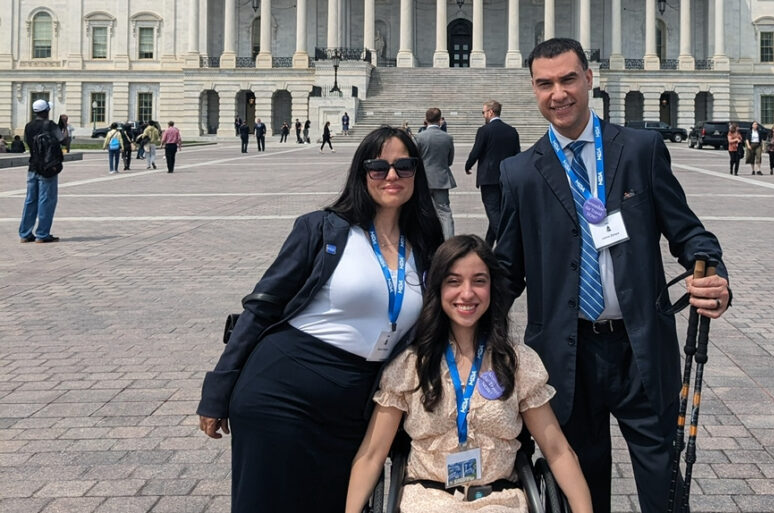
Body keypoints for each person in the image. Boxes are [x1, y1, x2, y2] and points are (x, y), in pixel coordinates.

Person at [494, 38, 731, 513]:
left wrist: (712, 273)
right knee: (581, 488)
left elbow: (688, 233)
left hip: (640, 345)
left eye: (567, 79)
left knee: (663, 482)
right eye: (545, 84)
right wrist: (462, 312)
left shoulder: (640, 149)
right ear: (533, 90)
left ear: (588, 78)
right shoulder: (520, 172)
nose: (557, 93)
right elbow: (507, 269)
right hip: (566, 353)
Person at [197, 126, 444, 513]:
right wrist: (217, 389)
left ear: (418, 172)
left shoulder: (427, 244)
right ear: (361, 175)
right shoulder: (322, 227)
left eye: (404, 166)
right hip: (284, 390)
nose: (392, 176)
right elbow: (262, 307)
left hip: (354, 405)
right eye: (378, 167)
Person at [345, 235, 593, 512]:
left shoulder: (517, 363)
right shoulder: (411, 365)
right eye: (453, 281)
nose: (467, 293)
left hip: (500, 502)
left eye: (479, 281)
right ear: (437, 289)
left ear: (492, 288)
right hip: (427, 501)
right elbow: (372, 456)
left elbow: (558, 451)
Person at [465, 100, 520, 246]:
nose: (483, 115)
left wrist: (468, 165)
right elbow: (517, 154)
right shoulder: (511, 130)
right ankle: (488, 245)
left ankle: (506, 243)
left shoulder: (484, 130)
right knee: (499, 211)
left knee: (493, 210)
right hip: (506, 177)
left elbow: (476, 151)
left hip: (488, 178)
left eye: (483, 112)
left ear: (490, 112)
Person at [19, 99, 65, 243]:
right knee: (47, 200)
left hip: (33, 166)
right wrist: (64, 124)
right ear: (46, 111)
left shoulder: (28, 126)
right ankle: (42, 234)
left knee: (30, 200)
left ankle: (25, 233)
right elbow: (63, 140)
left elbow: (28, 142)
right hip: (48, 167)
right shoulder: (50, 125)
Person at [414, 107, 457, 240]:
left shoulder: (419, 137)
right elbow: (449, 160)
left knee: (422, 211)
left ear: (426, 120)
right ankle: (449, 242)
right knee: (445, 213)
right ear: (440, 120)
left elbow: (414, 159)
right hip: (441, 179)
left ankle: (425, 240)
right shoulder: (447, 138)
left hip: (423, 180)